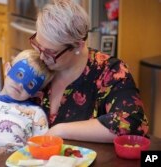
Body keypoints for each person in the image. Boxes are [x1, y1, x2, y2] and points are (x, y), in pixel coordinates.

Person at [30, 0, 149, 143]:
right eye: (38, 45)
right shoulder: (37, 64)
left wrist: (60, 130)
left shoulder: (110, 71)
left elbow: (131, 122)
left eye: (50, 52)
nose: (42, 57)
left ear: (78, 46)